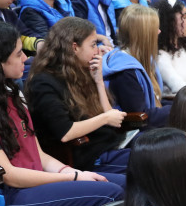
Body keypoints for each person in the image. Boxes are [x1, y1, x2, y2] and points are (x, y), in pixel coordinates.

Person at [0, 20, 124, 206]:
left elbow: (37, 154)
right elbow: (10, 176)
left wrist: (72, 172)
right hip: (7, 196)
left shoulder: (12, 93)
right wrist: (73, 178)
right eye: (18, 54)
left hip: (35, 183)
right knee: (112, 193)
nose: (25, 57)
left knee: (128, 183)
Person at [25, 17, 129, 173]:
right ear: (74, 47)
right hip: (90, 158)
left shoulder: (81, 71)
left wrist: (99, 82)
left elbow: (112, 120)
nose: (98, 50)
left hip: (110, 146)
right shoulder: (43, 83)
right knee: (157, 162)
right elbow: (65, 132)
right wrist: (105, 118)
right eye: (93, 45)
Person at [102, 5, 170, 127]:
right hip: (138, 133)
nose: (159, 31)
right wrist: (178, 110)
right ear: (144, 34)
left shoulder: (145, 59)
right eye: (155, 28)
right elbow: (139, 116)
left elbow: (156, 101)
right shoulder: (124, 71)